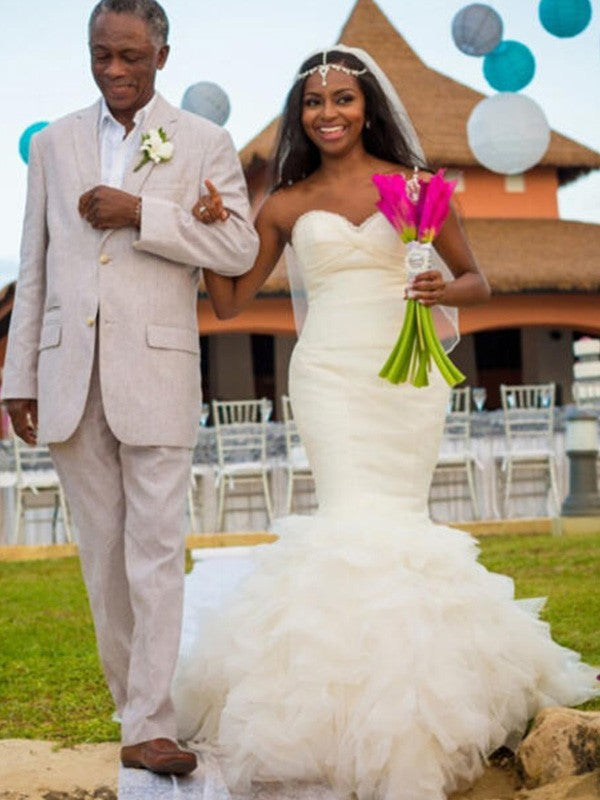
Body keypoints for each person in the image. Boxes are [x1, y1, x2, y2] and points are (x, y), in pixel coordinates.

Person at [174, 46, 598, 800]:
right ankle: (327, 708)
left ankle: (429, 696)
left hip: (409, 377)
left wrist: (443, 284)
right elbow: (232, 302)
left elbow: (479, 280)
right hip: (331, 373)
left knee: (400, 521)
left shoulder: (419, 187)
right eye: (314, 102)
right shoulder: (284, 202)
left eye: (342, 99)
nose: (328, 113)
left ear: (368, 107)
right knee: (350, 519)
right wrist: (207, 234)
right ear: (298, 114)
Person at [1, 0, 258, 777]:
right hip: (65, 376)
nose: (115, 71)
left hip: (157, 370)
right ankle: (132, 709)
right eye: (101, 55)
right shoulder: (53, 144)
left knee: (153, 551)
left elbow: (238, 244)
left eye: (132, 58)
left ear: (163, 58)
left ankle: (151, 722)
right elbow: (36, 262)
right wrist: (19, 375)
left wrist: (143, 211)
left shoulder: (204, 142)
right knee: (103, 560)